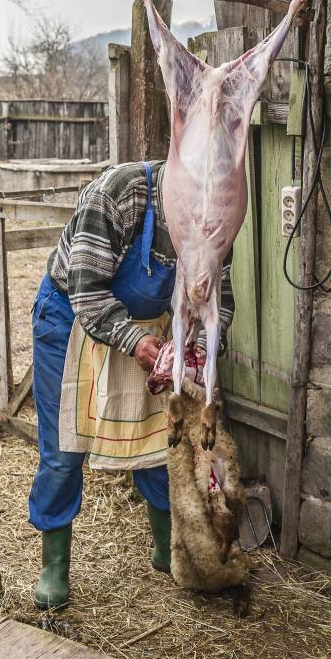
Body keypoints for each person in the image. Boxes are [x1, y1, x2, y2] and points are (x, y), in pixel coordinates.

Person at [29, 160, 233, 609]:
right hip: (70, 315)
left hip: (152, 327)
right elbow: (86, 290)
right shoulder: (120, 194)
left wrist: (199, 347)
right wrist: (137, 343)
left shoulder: (216, 216)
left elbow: (222, 297)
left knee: (161, 441)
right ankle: (54, 565)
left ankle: (167, 548)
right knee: (63, 451)